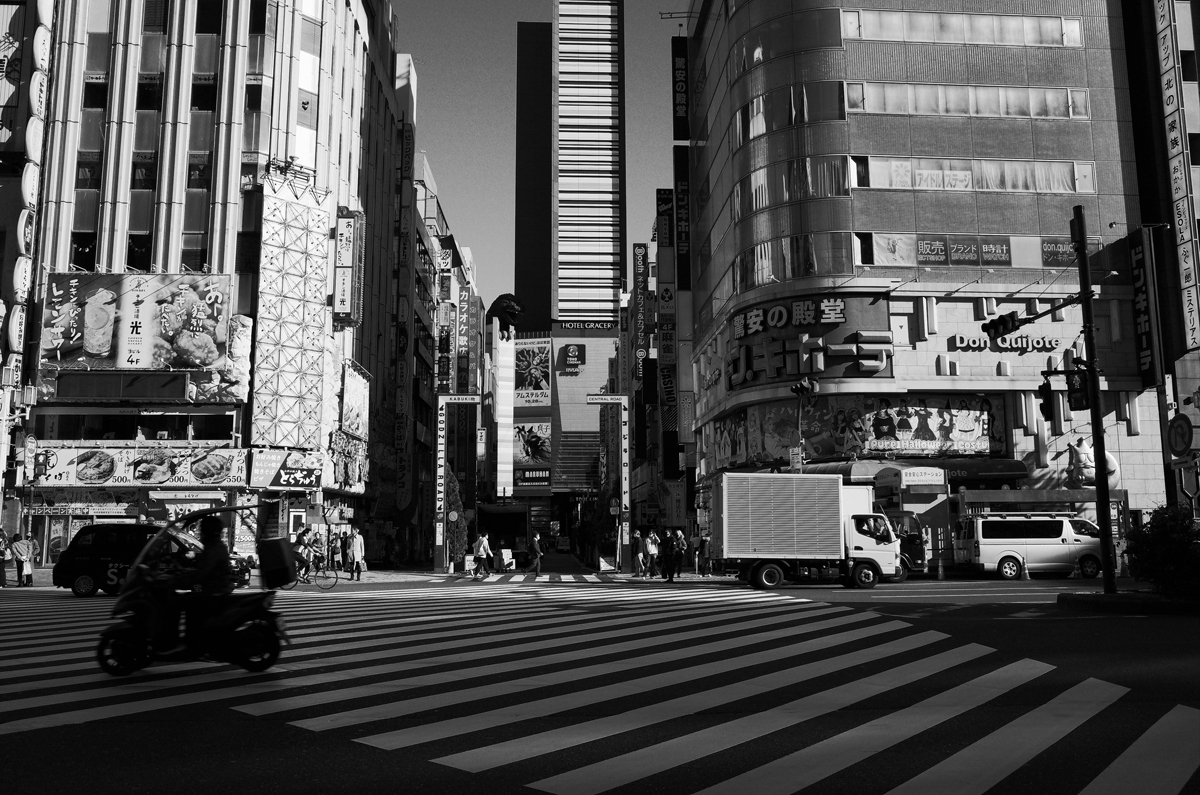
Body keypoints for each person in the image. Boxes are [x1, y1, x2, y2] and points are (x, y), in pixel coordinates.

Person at [154, 516, 235, 654]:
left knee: (175, 603)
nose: (200, 533)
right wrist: (181, 571)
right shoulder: (213, 546)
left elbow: (201, 574)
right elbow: (201, 570)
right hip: (213, 590)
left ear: (208, 531)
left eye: (201, 530)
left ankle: (176, 642)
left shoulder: (214, 549)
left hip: (213, 593)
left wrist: (176, 581)